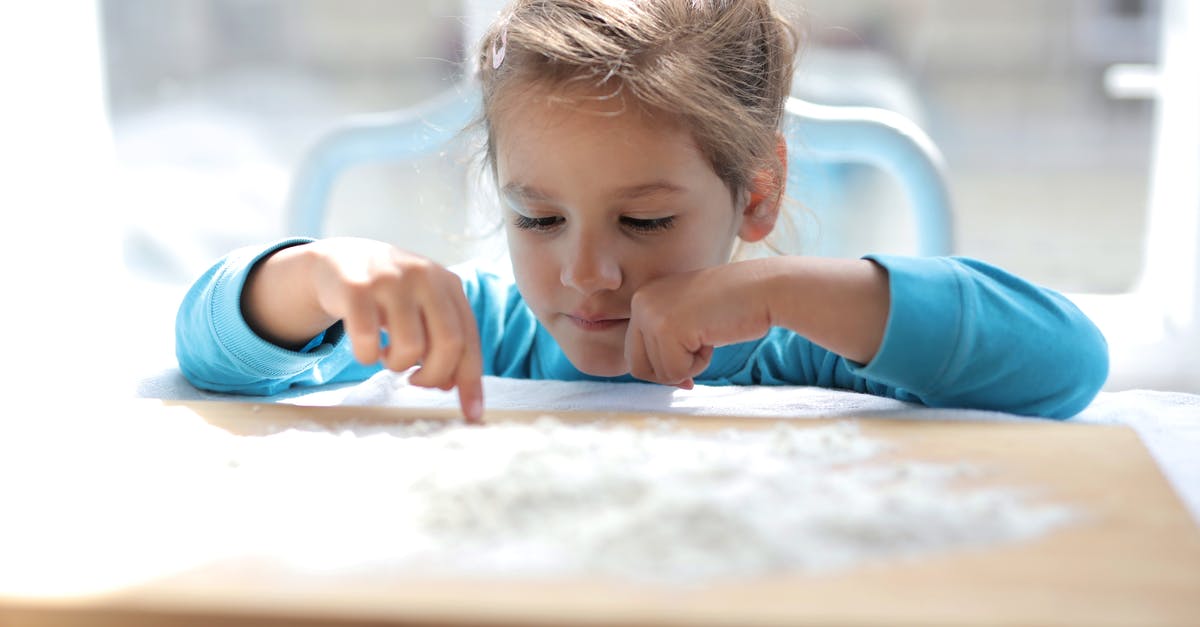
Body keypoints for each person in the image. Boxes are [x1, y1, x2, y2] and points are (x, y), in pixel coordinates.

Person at [175, 0, 1108, 423]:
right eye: (538, 220)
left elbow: (1069, 362)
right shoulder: (476, 337)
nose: (588, 275)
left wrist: (790, 290)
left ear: (758, 193)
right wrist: (308, 278)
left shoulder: (803, 354)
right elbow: (209, 353)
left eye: (646, 222)